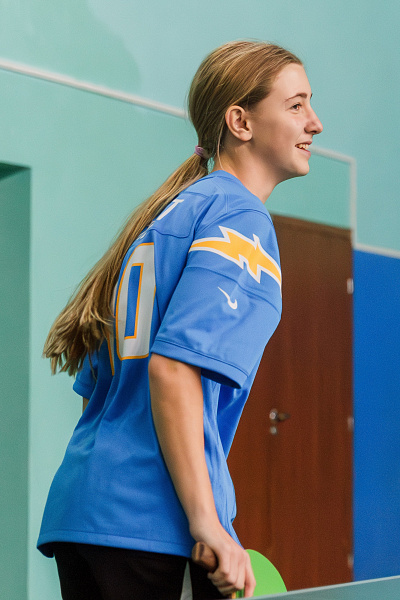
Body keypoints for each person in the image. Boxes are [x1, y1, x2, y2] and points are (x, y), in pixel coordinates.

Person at [37, 40, 322, 599]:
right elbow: (171, 369)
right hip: (153, 523)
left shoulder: (171, 213)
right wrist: (206, 520)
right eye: (296, 105)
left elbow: (102, 387)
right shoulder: (241, 221)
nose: (314, 122)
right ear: (240, 122)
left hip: (87, 510)